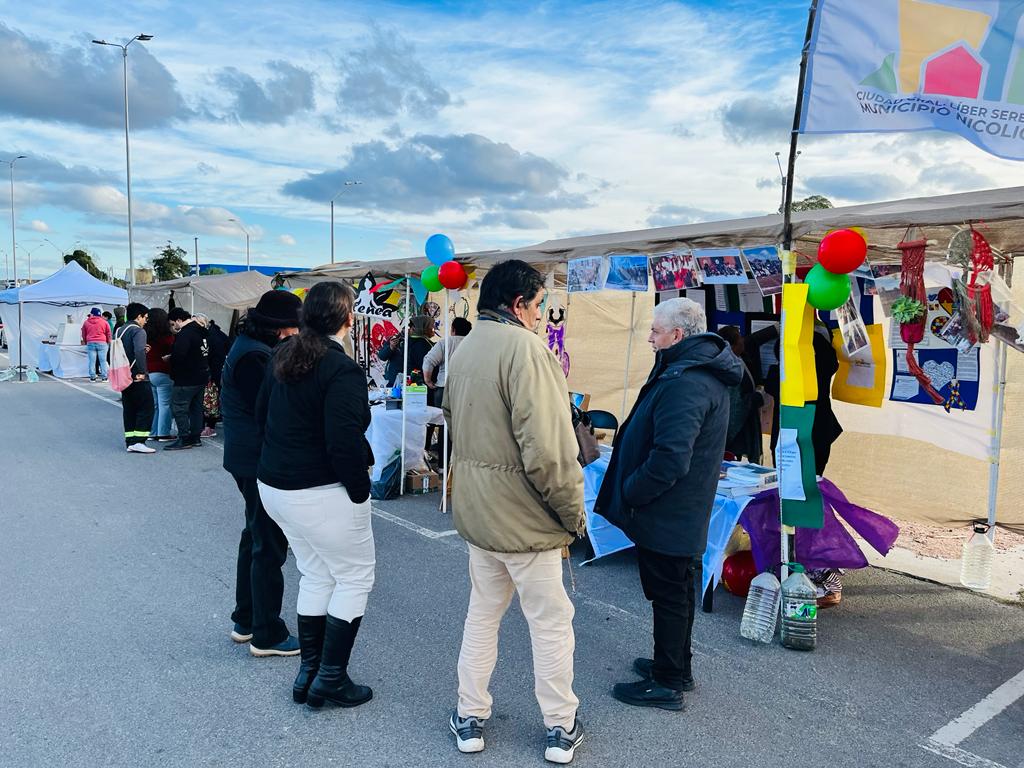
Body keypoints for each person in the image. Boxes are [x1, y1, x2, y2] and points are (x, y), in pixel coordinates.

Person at [443, 260, 586, 764]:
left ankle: (469, 716)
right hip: (527, 520)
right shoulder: (528, 350)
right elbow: (549, 451)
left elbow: (453, 424)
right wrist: (573, 514)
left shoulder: (465, 348)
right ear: (520, 304)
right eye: (540, 305)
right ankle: (560, 725)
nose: (543, 315)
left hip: (479, 511)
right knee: (549, 622)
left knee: (483, 614)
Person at [595, 298, 742, 712]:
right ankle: (676, 667)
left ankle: (667, 681)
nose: (649, 337)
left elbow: (670, 459)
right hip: (676, 508)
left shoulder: (689, 381)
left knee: (670, 595)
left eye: (656, 331)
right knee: (673, 592)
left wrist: (631, 491)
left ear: (678, 335)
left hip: (669, 509)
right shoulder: (687, 370)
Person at [256, 282, 376, 708]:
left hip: (275, 486)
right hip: (317, 490)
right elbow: (343, 440)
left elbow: (260, 416)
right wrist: (360, 493)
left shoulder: (284, 354)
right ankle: (329, 675)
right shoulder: (339, 368)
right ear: (348, 319)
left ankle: (309, 672)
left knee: (318, 573)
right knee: (354, 576)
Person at [221, 290, 302, 658]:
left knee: (254, 535)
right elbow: (269, 408)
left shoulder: (249, 344)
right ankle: (266, 632)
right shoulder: (255, 355)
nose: (295, 335)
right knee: (268, 544)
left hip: (245, 455)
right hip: (256, 458)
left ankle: (246, 618)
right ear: (279, 328)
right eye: (292, 328)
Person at [165, 307, 210, 451]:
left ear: (179, 320)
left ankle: (184, 438)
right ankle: (195, 437)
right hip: (202, 375)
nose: (174, 327)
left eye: (173, 323)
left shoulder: (185, 334)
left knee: (179, 407)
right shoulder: (202, 331)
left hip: (186, 377)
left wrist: (170, 359)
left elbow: (179, 356)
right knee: (196, 408)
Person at [718, 326, 764, 464]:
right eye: (739, 338)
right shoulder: (727, 366)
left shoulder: (740, 357)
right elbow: (736, 403)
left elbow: (754, 339)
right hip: (736, 431)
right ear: (731, 345)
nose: (742, 341)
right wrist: (758, 396)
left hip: (745, 425)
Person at [116, 303, 156, 454]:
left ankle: (130, 440)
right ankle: (139, 441)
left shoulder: (120, 329)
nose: (146, 320)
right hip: (136, 375)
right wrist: (143, 372)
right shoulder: (138, 331)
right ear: (138, 316)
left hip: (123, 375)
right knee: (146, 407)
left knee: (130, 408)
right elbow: (139, 351)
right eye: (145, 317)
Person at [422, 317, 471, 407]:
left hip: (444, 388)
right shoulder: (473, 344)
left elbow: (428, 361)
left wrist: (428, 380)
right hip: (467, 389)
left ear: (453, 329)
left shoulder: (445, 343)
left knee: (441, 419)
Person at [377, 314, 435, 386]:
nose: (433, 330)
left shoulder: (423, 342)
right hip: (395, 381)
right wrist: (391, 347)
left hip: (411, 382)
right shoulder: (397, 339)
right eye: (431, 327)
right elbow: (382, 356)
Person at [196, 314, 229, 438]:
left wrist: (211, 373)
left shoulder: (212, 337)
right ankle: (209, 426)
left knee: (211, 400)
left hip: (214, 372)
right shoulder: (216, 333)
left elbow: (215, 357)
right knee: (212, 400)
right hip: (217, 371)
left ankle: (210, 427)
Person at [145, 308, 176, 441]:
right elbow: (174, 350)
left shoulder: (145, 334)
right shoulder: (166, 336)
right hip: (163, 372)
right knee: (165, 404)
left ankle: (152, 432)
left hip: (149, 371)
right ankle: (163, 433)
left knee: (155, 405)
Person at [81, 307, 111, 381]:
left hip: (90, 342)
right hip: (102, 343)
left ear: (92, 314)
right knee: (103, 361)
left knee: (92, 361)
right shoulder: (104, 322)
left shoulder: (86, 322)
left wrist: (85, 341)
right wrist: (108, 341)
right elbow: (108, 333)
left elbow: (83, 333)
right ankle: (104, 377)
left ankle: (92, 377)